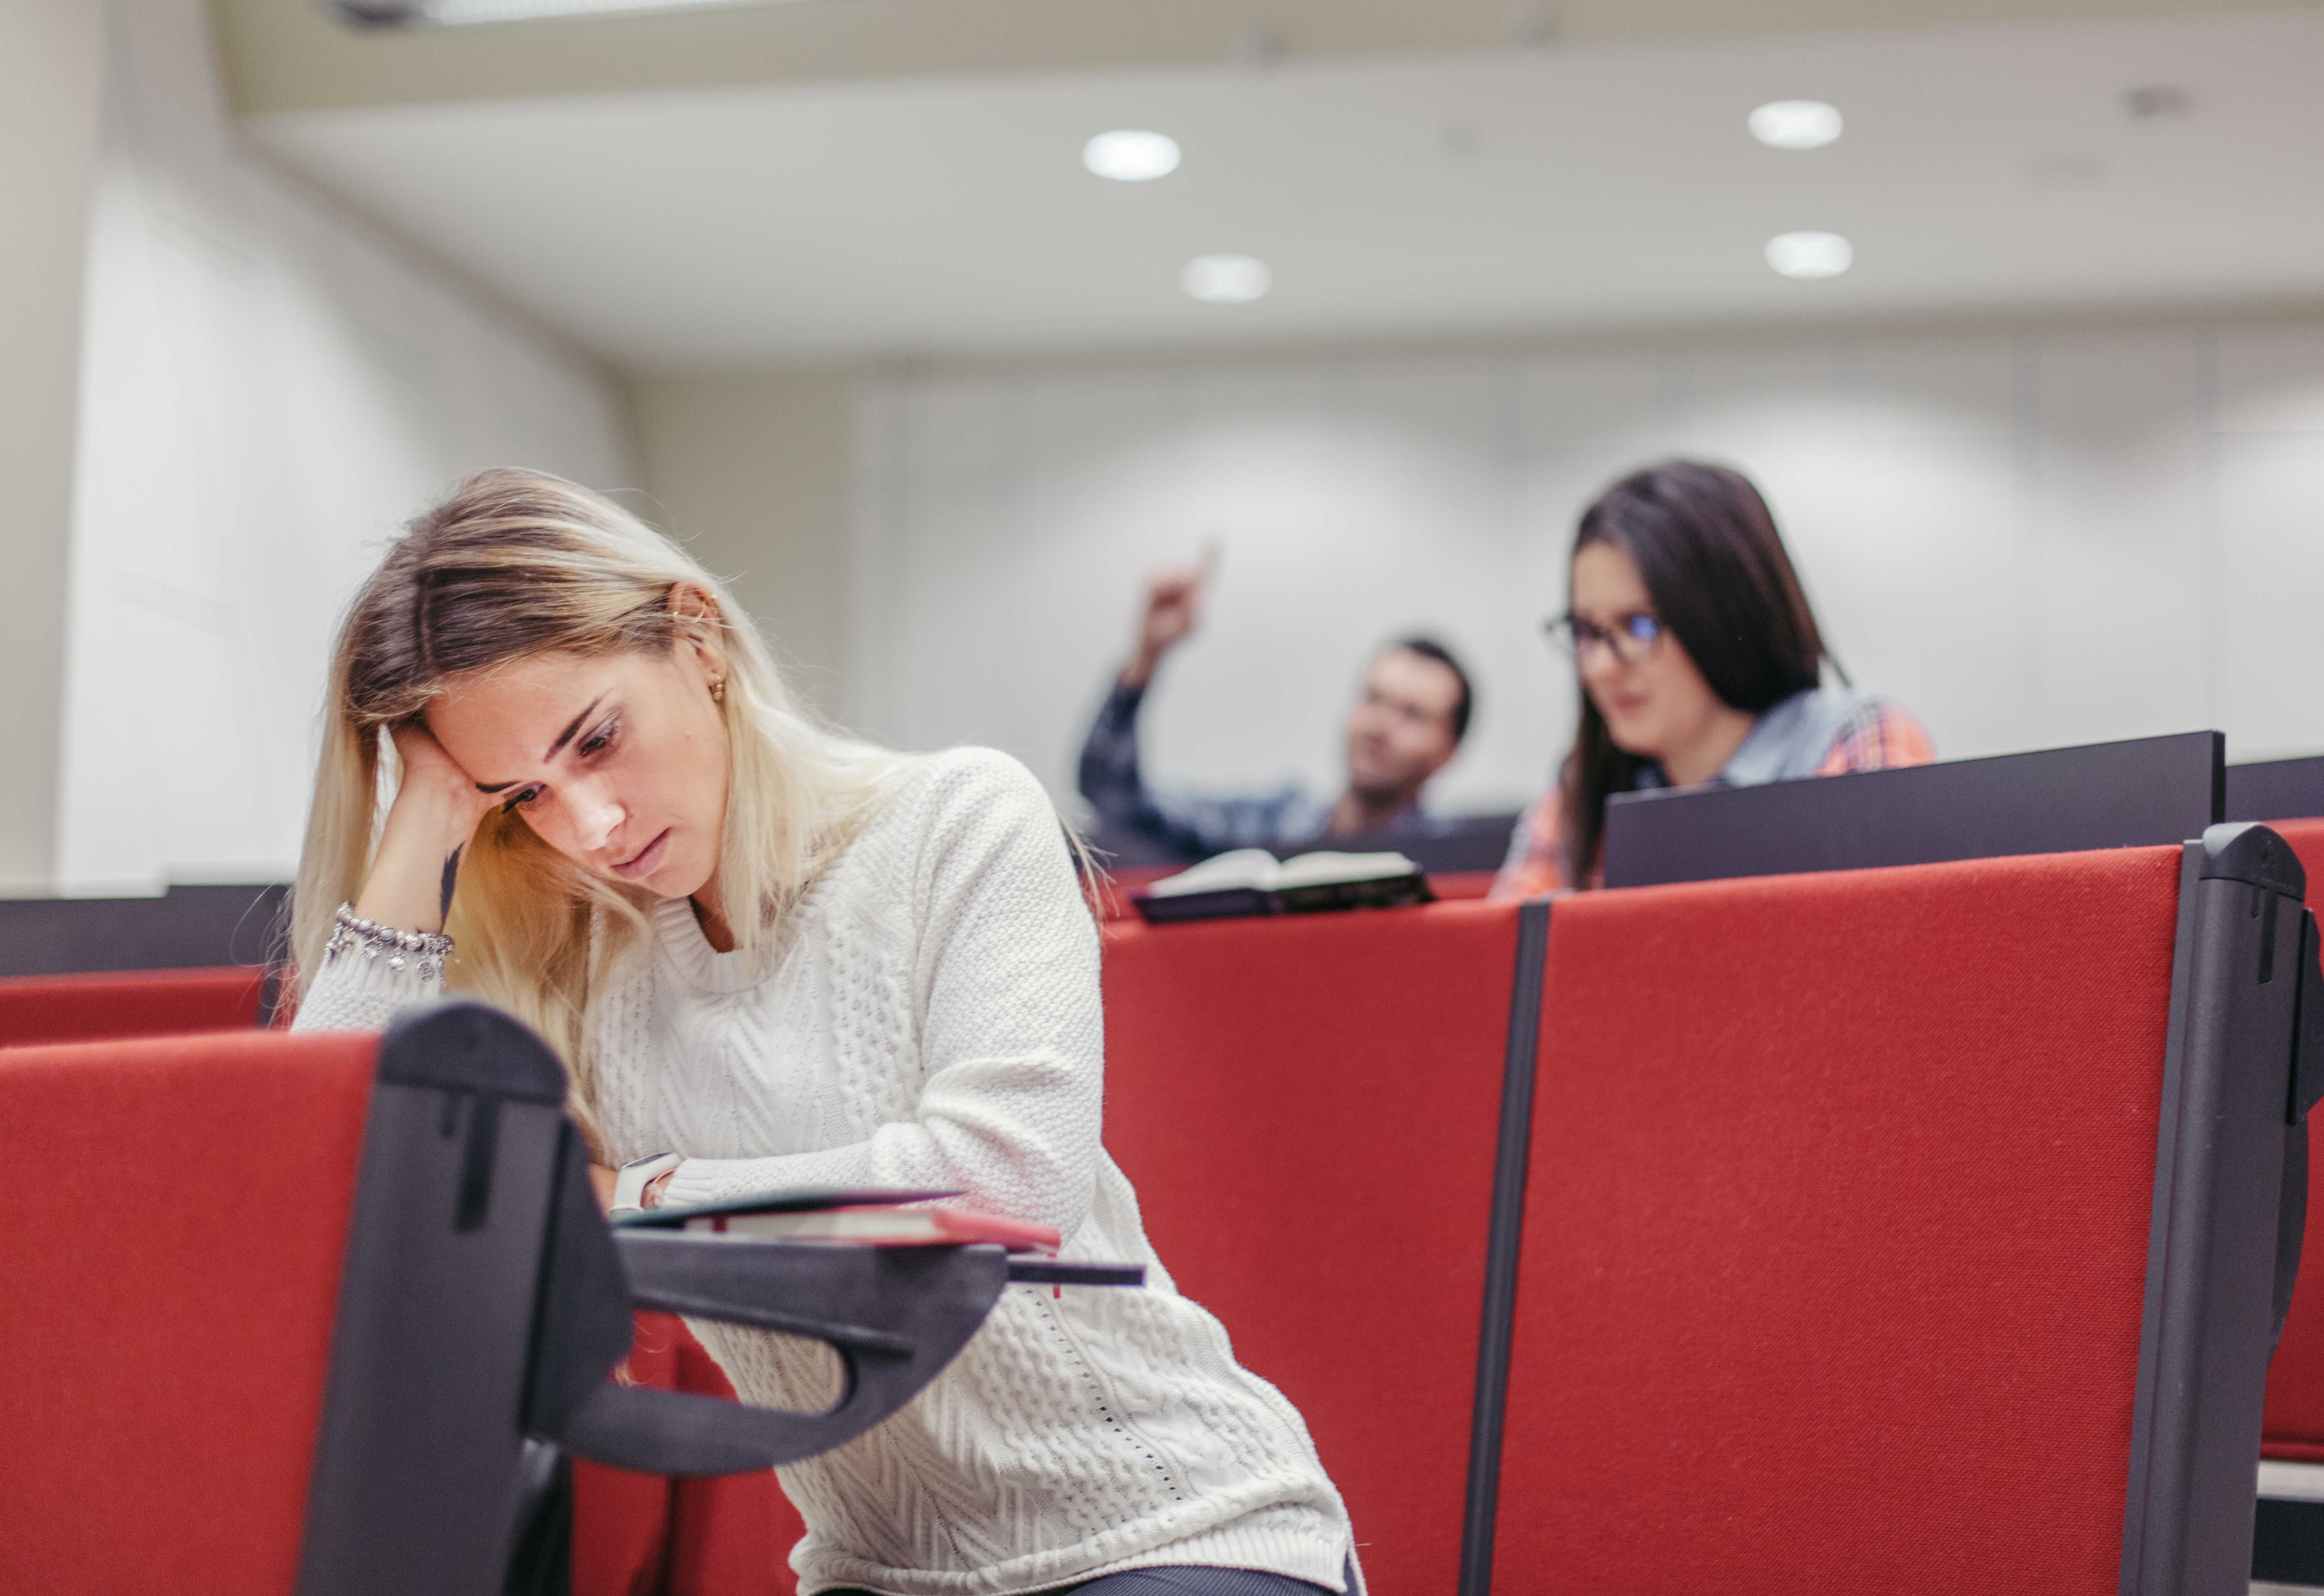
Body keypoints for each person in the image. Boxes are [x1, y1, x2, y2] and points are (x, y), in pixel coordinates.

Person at [288, 468, 1361, 1596]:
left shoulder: (957, 820)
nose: (589, 827)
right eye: (522, 795)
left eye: (596, 740)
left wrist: (636, 1194)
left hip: (1170, 1526)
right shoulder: (580, 957)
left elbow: (1003, 1188)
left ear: (694, 636)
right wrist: (423, 820)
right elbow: (314, 1198)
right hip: (879, 1570)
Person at [1492, 460, 1934, 898]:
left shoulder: (1857, 738)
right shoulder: (1583, 790)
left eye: (1640, 627)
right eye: (1588, 632)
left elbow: (1878, 947)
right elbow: (1507, 961)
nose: (1601, 667)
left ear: (1722, 618)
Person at [1078, 552, 1472, 864]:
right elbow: (1113, 797)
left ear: (1447, 753)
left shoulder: (1456, 863)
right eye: (1373, 700)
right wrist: (1148, 657)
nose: (1379, 726)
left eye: (1412, 716)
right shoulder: (1270, 825)